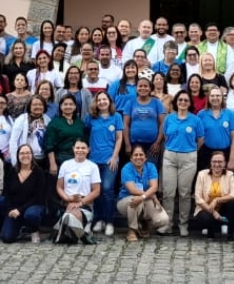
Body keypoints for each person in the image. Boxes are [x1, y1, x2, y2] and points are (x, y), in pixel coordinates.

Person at [161, 91, 204, 236]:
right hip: (170, 156)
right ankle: (167, 224)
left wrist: (191, 151)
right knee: (168, 193)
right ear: (176, 102)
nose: (183, 102)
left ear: (190, 103)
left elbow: (200, 139)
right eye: (180, 100)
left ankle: (183, 225)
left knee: (185, 193)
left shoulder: (195, 120)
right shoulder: (169, 119)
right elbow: (166, 135)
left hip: (189, 157)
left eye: (186, 100)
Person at [85, 91, 125, 236]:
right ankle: (99, 220)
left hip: (110, 160)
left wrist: (114, 157)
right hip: (94, 160)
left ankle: (109, 222)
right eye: (99, 100)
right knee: (97, 191)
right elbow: (86, 134)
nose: (102, 102)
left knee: (107, 189)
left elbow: (119, 138)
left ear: (109, 101)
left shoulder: (117, 117)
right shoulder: (91, 118)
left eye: (104, 99)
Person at [54, 139, 102, 244]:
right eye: (77, 148)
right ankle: (81, 234)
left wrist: (80, 203)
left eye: (83, 148)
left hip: (84, 203)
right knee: (70, 213)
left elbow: (96, 191)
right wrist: (68, 199)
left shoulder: (92, 167)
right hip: (67, 202)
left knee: (71, 215)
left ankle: (68, 232)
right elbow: (59, 187)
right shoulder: (65, 165)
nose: (80, 150)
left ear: (88, 150)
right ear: (73, 149)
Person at [117, 144, 168, 242]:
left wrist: (145, 196)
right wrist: (150, 195)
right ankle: (132, 230)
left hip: (146, 198)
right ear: (131, 158)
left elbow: (154, 187)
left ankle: (145, 224)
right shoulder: (126, 169)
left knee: (163, 219)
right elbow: (132, 190)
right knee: (135, 200)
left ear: (145, 157)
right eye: (135, 155)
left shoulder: (151, 167)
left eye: (141, 155)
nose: (138, 157)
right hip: (125, 200)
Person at [2, 144, 49, 243]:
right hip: (14, 209)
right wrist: (11, 209)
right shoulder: (12, 172)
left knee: (31, 214)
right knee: (7, 238)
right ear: (18, 156)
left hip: (33, 207)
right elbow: (7, 193)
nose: (25, 156)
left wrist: (20, 210)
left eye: (28, 153)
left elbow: (39, 196)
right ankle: (21, 229)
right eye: (22, 153)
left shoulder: (39, 173)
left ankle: (34, 230)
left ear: (32, 155)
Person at [191, 150, 234, 241]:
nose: (217, 164)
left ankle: (230, 233)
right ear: (210, 163)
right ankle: (210, 230)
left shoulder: (229, 175)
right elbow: (198, 198)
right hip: (205, 208)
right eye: (214, 162)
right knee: (206, 218)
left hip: (223, 208)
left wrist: (217, 200)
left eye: (220, 162)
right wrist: (213, 212)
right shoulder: (202, 175)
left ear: (225, 163)